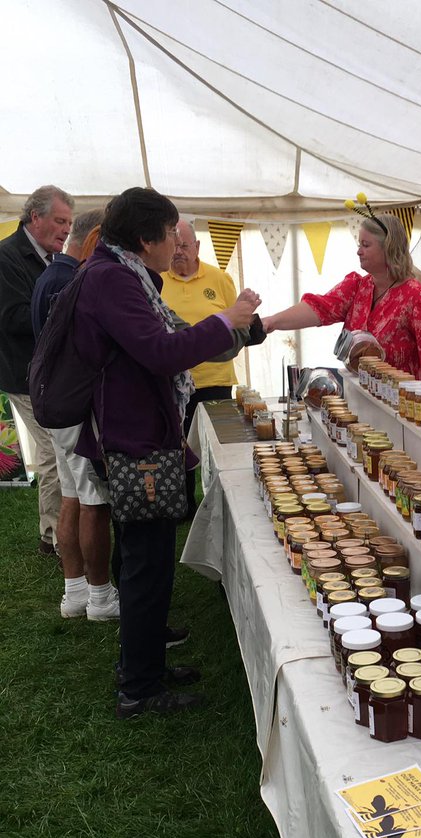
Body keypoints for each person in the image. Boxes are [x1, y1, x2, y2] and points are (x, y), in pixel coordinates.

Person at [71, 187, 260, 718]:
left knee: (147, 558)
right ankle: (140, 688)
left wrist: (233, 325)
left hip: (138, 433)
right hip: (133, 439)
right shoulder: (112, 279)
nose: (176, 248)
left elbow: (170, 335)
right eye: (171, 237)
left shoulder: (121, 273)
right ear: (144, 239)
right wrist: (226, 320)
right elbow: (160, 352)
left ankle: (145, 663)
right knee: (146, 563)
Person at [30, 208, 120, 620]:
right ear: (95, 238)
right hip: (73, 408)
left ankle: (75, 593)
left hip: (54, 405)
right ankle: (101, 598)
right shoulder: (71, 279)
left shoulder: (52, 275)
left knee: (72, 497)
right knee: (94, 503)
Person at [262, 214, 421, 384]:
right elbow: (319, 309)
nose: (359, 251)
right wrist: (272, 321)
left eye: (366, 245)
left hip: (401, 408)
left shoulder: (417, 299)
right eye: (359, 245)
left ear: (389, 248)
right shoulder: (358, 286)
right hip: (358, 398)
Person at [0, 184, 74, 553]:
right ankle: (54, 536)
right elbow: (11, 318)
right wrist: (64, 314)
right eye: (59, 221)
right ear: (35, 217)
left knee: (57, 447)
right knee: (51, 449)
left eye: (69, 223)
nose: (65, 229)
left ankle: (58, 529)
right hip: (24, 373)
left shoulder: (49, 256)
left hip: (47, 372)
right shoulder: (7, 257)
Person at [162, 219, 243, 516]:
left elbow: (238, 324)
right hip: (175, 382)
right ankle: (183, 505)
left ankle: (219, 505)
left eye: (185, 245)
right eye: (175, 244)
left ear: (197, 247)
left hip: (216, 382)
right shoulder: (157, 278)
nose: (179, 251)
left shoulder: (219, 279)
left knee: (216, 448)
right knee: (178, 446)